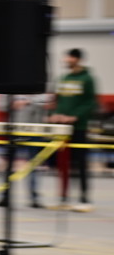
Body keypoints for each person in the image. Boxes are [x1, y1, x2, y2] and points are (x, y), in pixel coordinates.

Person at [49, 48, 98, 212]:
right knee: (62, 164)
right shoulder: (63, 78)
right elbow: (58, 101)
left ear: (77, 59)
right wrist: (55, 114)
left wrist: (75, 116)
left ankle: (84, 199)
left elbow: (90, 102)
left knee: (80, 163)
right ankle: (63, 198)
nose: (66, 60)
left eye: (69, 58)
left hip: (79, 127)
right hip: (62, 129)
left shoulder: (87, 79)